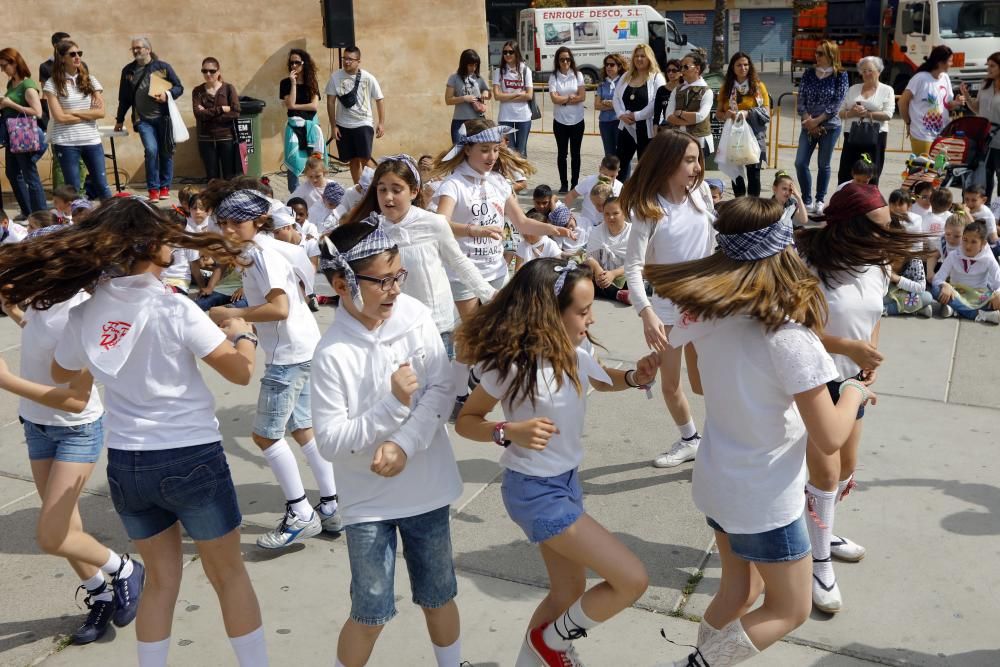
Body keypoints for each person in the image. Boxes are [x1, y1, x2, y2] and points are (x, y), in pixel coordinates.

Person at [0, 198, 268, 666]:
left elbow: (63, 370)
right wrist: (244, 334)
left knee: (161, 582)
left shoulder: (86, 313)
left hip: (127, 463)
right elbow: (241, 374)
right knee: (229, 576)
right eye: (164, 235)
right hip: (190, 456)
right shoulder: (175, 307)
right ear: (148, 246)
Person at [645, 197, 877, 667]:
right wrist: (852, 389)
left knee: (741, 589)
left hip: (718, 482)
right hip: (765, 497)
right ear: (783, 254)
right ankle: (694, 666)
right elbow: (830, 437)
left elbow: (697, 383)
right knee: (788, 609)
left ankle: (700, 657)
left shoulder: (705, 316)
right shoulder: (791, 338)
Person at [455, 257, 655, 667]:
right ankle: (552, 644)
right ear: (549, 312)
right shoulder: (511, 364)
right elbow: (466, 422)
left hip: (565, 482)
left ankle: (534, 658)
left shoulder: (574, 347)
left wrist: (635, 377)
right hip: (534, 491)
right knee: (631, 579)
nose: (592, 318)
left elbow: (600, 378)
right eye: (582, 311)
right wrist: (508, 430)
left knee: (567, 592)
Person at [312, 222, 465, 667]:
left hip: (428, 489)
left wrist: (402, 443)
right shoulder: (332, 353)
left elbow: (441, 390)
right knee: (371, 609)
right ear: (342, 284)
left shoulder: (415, 315)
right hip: (368, 504)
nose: (395, 289)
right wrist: (392, 405)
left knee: (439, 595)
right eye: (383, 280)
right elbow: (331, 442)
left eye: (399, 276)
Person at [795, 183, 921, 614]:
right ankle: (818, 563)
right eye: (879, 228)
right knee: (826, 473)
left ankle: (819, 530)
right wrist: (846, 347)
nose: (886, 237)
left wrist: (869, 363)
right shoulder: (809, 266)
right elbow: (789, 329)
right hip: (815, 378)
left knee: (847, 468)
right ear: (850, 227)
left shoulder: (877, 264)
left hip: (854, 381)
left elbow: (875, 317)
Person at [0, 289, 142, 646]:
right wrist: (15, 310)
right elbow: (39, 328)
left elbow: (77, 401)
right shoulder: (39, 300)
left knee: (53, 531)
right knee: (66, 527)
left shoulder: (84, 311)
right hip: (35, 426)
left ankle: (123, 569)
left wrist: (6, 381)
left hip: (75, 431)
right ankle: (101, 594)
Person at [204, 186, 340, 549]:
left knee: (265, 435)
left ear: (258, 221)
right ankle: (331, 504)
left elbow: (279, 308)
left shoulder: (262, 254)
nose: (228, 229)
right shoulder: (261, 250)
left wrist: (234, 314)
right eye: (223, 223)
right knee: (303, 429)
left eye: (236, 222)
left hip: (288, 356)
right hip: (303, 347)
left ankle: (300, 513)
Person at [429, 119, 575, 418]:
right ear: (466, 149)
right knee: (472, 337)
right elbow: (439, 224)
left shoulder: (498, 182)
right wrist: (472, 230)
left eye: (495, 150)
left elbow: (521, 223)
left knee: (504, 332)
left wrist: (554, 230)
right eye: (484, 150)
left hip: (497, 270)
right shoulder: (453, 184)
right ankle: (458, 396)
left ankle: (476, 375)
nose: (492, 156)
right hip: (463, 274)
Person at [621, 129, 716, 469]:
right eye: (689, 160)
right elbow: (633, 266)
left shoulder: (701, 192)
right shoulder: (648, 210)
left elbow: (716, 235)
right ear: (668, 163)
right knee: (670, 384)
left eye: (697, 159)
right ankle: (691, 439)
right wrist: (646, 312)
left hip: (707, 304)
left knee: (712, 381)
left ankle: (721, 444)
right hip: (667, 310)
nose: (697, 167)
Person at [339, 154, 497, 350]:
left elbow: (460, 263)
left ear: (414, 192)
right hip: (392, 328)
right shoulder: (369, 230)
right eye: (382, 190)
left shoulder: (434, 223)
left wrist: (490, 295)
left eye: (396, 190)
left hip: (436, 326)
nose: (388, 197)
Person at [113, 37, 184, 202]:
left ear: (148, 49)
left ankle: (165, 186)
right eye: (133, 48)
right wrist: (120, 119)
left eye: (139, 47)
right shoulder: (128, 71)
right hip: (143, 120)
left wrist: (167, 95)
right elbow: (124, 98)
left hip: (164, 118)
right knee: (152, 150)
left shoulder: (163, 67)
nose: (136, 51)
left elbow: (179, 87)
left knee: (166, 152)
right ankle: (153, 189)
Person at [43, 39, 112, 201]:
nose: (77, 57)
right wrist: (88, 113)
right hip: (66, 143)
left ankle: (115, 222)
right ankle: (78, 223)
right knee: (73, 189)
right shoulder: (52, 84)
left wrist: (73, 111)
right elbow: (59, 117)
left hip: (91, 140)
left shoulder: (90, 80)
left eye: (79, 53)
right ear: (61, 58)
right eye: (72, 54)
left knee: (102, 185)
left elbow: (101, 113)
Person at [794, 41, 849, 215]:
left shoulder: (840, 75)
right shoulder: (809, 73)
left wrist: (818, 121)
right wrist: (807, 120)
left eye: (820, 53)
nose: (816, 56)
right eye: (816, 53)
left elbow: (837, 103)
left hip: (829, 126)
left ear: (831, 56)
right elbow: (801, 97)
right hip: (808, 124)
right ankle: (807, 199)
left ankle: (820, 199)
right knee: (800, 162)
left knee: (823, 164)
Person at [326, 46, 385, 185]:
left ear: (358, 61)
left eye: (350, 59)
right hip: (343, 124)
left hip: (363, 123)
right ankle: (358, 190)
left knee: (365, 158)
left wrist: (381, 123)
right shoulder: (335, 77)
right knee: (352, 160)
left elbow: (379, 99)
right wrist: (334, 126)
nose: (346, 62)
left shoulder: (368, 78)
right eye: (344, 58)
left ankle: (377, 187)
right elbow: (330, 102)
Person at [716, 52, 771, 197]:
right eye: (739, 65)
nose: (743, 68)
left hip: (754, 135)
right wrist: (726, 114)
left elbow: (766, 113)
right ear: (732, 68)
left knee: (754, 175)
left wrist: (748, 113)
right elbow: (718, 114)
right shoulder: (726, 88)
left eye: (746, 64)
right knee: (736, 175)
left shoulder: (758, 87)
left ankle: (753, 211)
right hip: (734, 136)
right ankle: (739, 208)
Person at [0, 47, 47, 216]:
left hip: (23, 135)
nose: (3, 70)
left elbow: (38, 112)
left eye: (5, 65)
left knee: (30, 176)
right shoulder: (11, 83)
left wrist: (10, 104)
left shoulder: (28, 85)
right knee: (12, 173)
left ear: (14, 63)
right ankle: (28, 211)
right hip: (12, 135)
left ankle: (41, 215)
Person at [836, 57, 895, 186]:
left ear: (879, 72)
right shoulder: (853, 89)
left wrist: (867, 114)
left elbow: (888, 114)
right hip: (852, 135)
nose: (867, 73)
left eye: (870, 70)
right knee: (846, 171)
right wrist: (853, 113)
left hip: (875, 136)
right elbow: (840, 112)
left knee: (871, 172)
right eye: (864, 71)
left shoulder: (887, 90)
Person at [613, 44, 665, 184]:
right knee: (620, 163)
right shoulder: (626, 76)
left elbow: (657, 101)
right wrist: (621, 115)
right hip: (626, 126)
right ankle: (618, 195)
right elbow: (616, 97)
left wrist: (637, 116)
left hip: (646, 128)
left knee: (645, 164)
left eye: (643, 56)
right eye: (636, 56)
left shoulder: (656, 77)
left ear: (649, 58)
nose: (639, 59)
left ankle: (645, 195)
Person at [900, 45, 965, 156]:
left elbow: (948, 105)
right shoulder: (920, 78)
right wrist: (908, 122)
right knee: (923, 170)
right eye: (949, 61)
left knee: (938, 169)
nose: (952, 64)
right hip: (922, 135)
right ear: (940, 63)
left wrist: (957, 102)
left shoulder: (945, 77)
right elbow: (902, 102)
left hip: (942, 134)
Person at [932, 220, 1000, 324]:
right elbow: (938, 278)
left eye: (973, 242)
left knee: (997, 300)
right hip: (956, 293)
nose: (968, 245)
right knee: (936, 290)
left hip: (978, 295)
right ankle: (979, 315)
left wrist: (998, 294)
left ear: (983, 243)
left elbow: (998, 281)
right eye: (965, 240)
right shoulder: (954, 255)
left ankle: (956, 310)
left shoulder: (988, 258)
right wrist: (944, 284)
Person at [280, 48, 322, 193]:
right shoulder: (285, 83)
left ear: (304, 64)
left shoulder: (312, 83)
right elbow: (289, 103)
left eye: (297, 62)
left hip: (310, 127)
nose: (294, 66)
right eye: (291, 63)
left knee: (314, 164)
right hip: (293, 127)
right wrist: (293, 83)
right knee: (294, 163)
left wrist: (295, 106)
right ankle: (296, 196)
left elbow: (314, 106)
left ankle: (314, 193)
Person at [192, 57, 240, 181]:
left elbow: (236, 112)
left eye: (212, 71)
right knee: (212, 179)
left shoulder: (229, 89)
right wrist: (221, 109)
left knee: (230, 177)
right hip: (206, 139)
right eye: (204, 71)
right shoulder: (197, 91)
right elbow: (198, 115)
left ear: (218, 72)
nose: (208, 74)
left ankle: (230, 200)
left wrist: (208, 115)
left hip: (226, 138)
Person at [961, 52, 1000, 203]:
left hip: (999, 141)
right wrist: (967, 96)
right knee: (984, 175)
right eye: (988, 65)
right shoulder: (985, 85)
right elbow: (977, 109)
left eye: (992, 66)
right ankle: (984, 206)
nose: (988, 69)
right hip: (984, 140)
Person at [662, 51, 715, 158]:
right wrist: (687, 119)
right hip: (679, 140)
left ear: (697, 69)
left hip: (700, 141)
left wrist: (680, 113)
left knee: (696, 172)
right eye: (681, 67)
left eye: (686, 67)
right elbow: (668, 116)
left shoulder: (706, 91)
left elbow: (700, 116)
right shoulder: (677, 90)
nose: (682, 70)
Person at [548, 47, 586, 194]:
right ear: (558, 61)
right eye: (562, 59)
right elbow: (553, 98)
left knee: (575, 153)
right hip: (560, 121)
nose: (565, 62)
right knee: (562, 154)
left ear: (571, 60)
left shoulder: (578, 75)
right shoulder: (554, 77)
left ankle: (574, 184)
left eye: (568, 59)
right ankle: (564, 184)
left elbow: (582, 97)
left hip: (577, 120)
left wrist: (562, 99)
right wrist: (570, 98)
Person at [585, 195, 631, 303]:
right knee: (580, 277)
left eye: (615, 213)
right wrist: (597, 269)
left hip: (625, 274)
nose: (610, 217)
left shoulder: (633, 233)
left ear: (624, 212)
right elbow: (590, 257)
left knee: (633, 280)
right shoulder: (597, 231)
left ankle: (617, 292)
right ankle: (618, 294)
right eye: (607, 214)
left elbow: (637, 262)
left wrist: (613, 274)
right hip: (601, 275)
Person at [492, 41, 532, 157]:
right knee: (508, 152)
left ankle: (521, 175)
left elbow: (529, 95)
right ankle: (509, 176)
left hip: (523, 116)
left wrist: (506, 96)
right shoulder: (499, 72)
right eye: (505, 52)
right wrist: (518, 94)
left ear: (516, 53)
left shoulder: (525, 70)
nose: (507, 55)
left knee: (521, 152)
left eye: (511, 52)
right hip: (505, 116)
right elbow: (497, 96)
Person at [445, 49, 491, 144]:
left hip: (478, 121)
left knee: (479, 150)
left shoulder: (478, 78)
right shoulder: (454, 78)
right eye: (470, 65)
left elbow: (488, 92)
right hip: (459, 121)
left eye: (475, 65)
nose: (473, 68)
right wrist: (464, 98)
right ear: (463, 64)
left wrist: (485, 94)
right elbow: (448, 100)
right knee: (459, 152)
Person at [564, 155, 622, 226]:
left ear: (618, 171)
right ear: (600, 168)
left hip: (606, 227)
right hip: (586, 223)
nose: (608, 178)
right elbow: (571, 195)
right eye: (605, 174)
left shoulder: (619, 187)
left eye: (612, 176)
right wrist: (567, 216)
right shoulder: (589, 181)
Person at [595, 54, 627, 159]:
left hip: (619, 122)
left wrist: (609, 103)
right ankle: (611, 175)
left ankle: (623, 176)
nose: (608, 67)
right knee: (609, 155)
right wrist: (614, 105)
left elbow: (625, 104)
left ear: (619, 66)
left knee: (622, 154)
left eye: (612, 65)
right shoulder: (602, 84)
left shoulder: (624, 82)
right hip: (604, 123)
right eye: (606, 65)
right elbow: (597, 105)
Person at [653, 59, 682, 130]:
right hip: (667, 127)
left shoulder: (685, 88)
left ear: (681, 72)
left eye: (674, 71)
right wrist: (655, 129)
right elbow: (657, 113)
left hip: (683, 126)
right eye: (668, 71)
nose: (670, 73)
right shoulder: (661, 90)